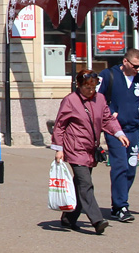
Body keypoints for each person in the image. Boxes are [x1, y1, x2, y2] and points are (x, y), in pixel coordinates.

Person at [51, 70, 128, 235]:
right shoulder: (70, 100)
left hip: (91, 148)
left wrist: (119, 133)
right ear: (79, 86)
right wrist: (59, 149)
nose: (91, 91)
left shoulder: (100, 99)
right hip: (75, 148)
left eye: (93, 87)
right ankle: (97, 220)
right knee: (85, 183)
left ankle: (68, 218)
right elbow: (60, 125)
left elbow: (107, 119)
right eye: (87, 87)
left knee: (79, 185)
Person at [97, 47, 139, 222]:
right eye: (135, 66)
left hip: (133, 130)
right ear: (125, 61)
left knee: (130, 169)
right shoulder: (108, 75)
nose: (138, 69)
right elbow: (96, 99)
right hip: (114, 129)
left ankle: (117, 205)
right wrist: (108, 114)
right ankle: (121, 206)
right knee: (120, 166)